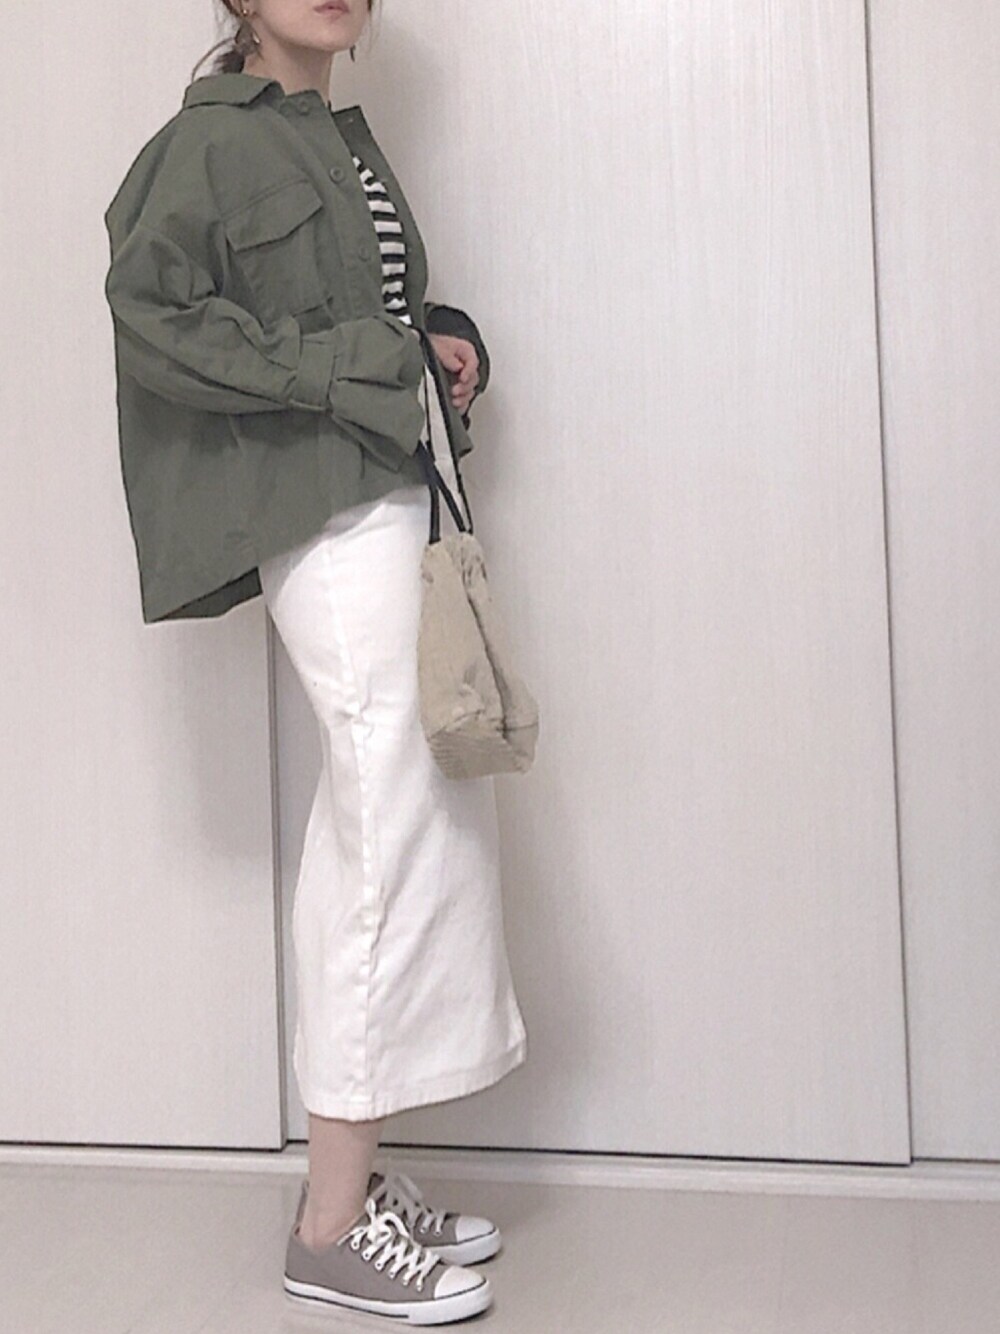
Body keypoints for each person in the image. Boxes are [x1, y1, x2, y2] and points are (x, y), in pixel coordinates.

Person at [102, 1, 528, 1323]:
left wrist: (432, 346)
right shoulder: (203, 146)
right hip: (323, 514)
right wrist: (349, 368)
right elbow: (152, 316)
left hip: (387, 490)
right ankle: (331, 1226)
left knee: (394, 823)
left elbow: (366, 316)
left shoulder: (340, 137)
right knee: (389, 823)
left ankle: (355, 1178)